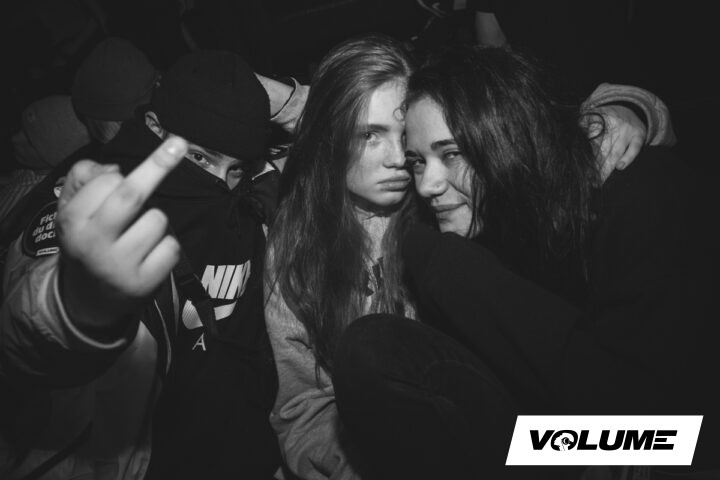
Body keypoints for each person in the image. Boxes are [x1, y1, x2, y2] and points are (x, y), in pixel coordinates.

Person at [263, 35, 677, 480]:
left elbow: (531, 129)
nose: (400, 161)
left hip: (566, 433)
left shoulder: (466, 203)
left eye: (408, 140)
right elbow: (303, 408)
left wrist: (625, 111)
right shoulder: (300, 242)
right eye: (370, 135)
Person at [0, 50, 283, 480]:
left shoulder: (251, 195)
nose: (219, 183)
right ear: (154, 128)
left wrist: (291, 105)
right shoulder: (94, 204)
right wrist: (77, 306)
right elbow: (24, 338)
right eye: (201, 159)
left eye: (235, 169)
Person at [0, 95, 90, 223]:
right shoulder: (34, 169)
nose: (15, 138)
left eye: (30, 142)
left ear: (54, 157)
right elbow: (21, 178)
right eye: (22, 129)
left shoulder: (24, 206)